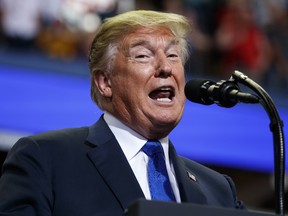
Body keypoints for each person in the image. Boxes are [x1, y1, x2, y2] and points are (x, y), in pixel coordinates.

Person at [0, 10, 245, 216]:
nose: (165, 67)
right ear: (105, 82)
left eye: (173, 55)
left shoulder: (219, 190)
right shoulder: (45, 159)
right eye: (143, 56)